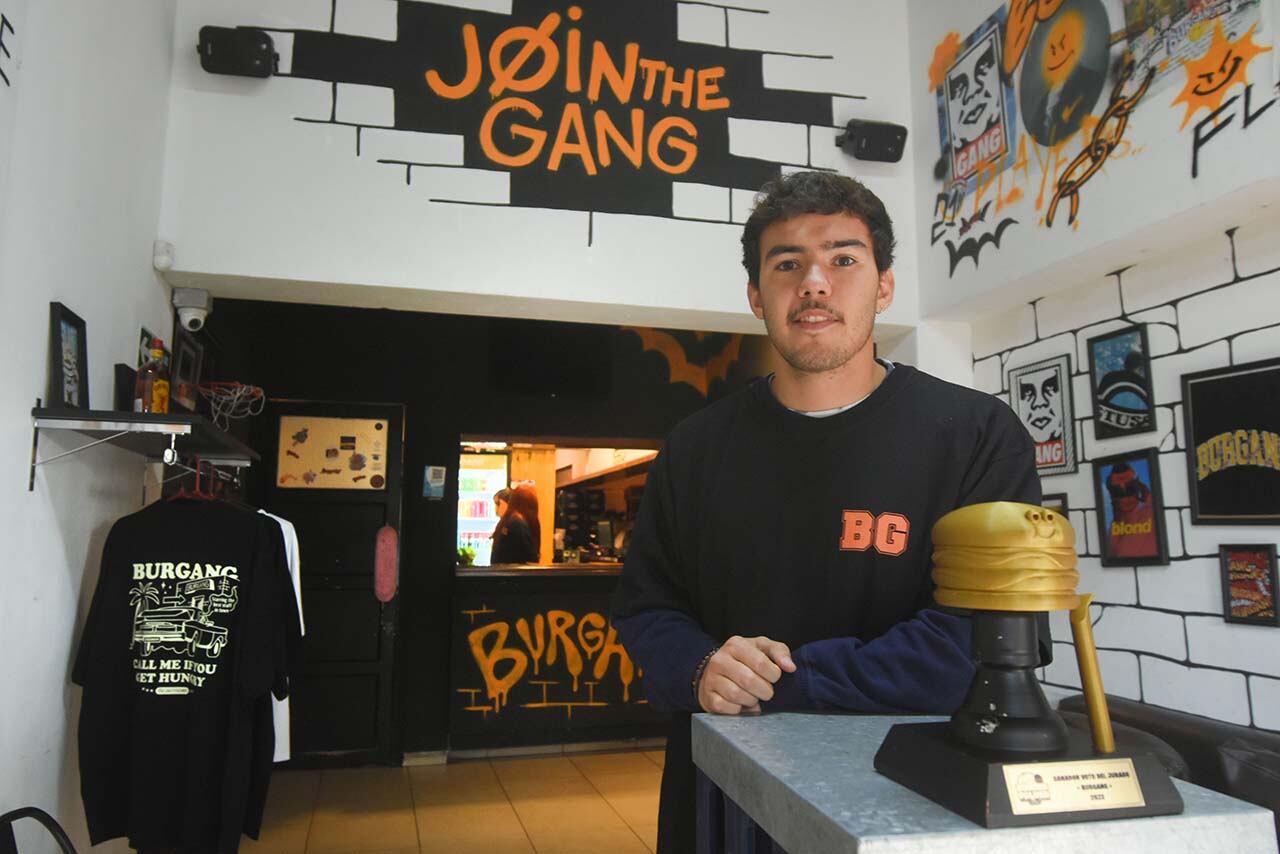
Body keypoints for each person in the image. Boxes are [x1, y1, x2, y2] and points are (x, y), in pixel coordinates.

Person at [611, 171, 1044, 852]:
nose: (814, 282)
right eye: (787, 264)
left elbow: (976, 642)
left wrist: (788, 681)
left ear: (885, 286)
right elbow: (646, 609)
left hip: (916, 792)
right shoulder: (695, 448)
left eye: (844, 259)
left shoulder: (975, 435)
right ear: (756, 296)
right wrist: (700, 669)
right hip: (723, 799)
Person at [1105, 462, 1156, 558]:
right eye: (1117, 492)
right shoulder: (1114, 527)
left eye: (1130, 488)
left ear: (1138, 488)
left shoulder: (1151, 512)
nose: (1125, 497)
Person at [490, 484, 541, 564]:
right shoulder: (517, 523)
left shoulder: (511, 522)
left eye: (498, 504)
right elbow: (531, 559)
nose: (496, 509)